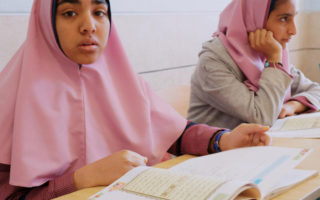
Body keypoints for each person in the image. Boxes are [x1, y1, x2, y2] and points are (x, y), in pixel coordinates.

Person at [0, 0, 270, 199]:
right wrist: (81, 178)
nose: (88, 26)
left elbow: (172, 132)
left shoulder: (121, 78)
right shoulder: (12, 95)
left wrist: (223, 139)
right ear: (46, 22)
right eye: (70, 13)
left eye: (99, 12)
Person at [188, 0, 320, 129]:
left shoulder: (264, 55)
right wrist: (274, 60)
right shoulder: (213, 62)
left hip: (256, 146)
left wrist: (293, 105)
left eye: (293, 18)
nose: (293, 30)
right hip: (214, 151)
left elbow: (316, 90)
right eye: (284, 19)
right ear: (255, 19)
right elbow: (262, 117)